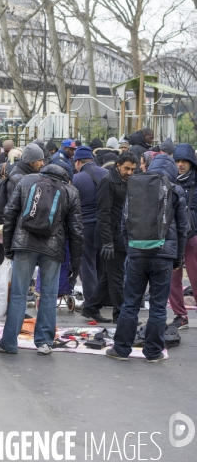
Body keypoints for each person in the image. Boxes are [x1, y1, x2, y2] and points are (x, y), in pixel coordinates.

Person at [0, 163, 83, 355]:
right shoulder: (71, 191)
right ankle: (44, 343)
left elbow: (9, 213)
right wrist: (75, 263)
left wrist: (8, 247)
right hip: (53, 248)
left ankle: (8, 343)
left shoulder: (26, 181)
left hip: (24, 246)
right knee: (49, 295)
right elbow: (76, 231)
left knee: (18, 294)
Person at [107, 156, 187, 363]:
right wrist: (177, 258)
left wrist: (131, 249)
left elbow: (124, 225)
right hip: (164, 257)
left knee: (130, 304)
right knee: (159, 307)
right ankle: (153, 352)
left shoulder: (135, 188)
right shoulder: (175, 191)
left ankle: (121, 349)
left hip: (137, 254)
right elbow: (182, 230)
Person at [85, 152, 138, 323]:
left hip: (120, 235)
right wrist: (107, 242)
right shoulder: (107, 182)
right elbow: (103, 214)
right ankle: (120, 315)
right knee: (116, 276)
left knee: (110, 275)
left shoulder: (127, 181)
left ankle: (91, 307)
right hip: (110, 237)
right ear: (118, 166)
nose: (129, 172)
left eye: (133, 169)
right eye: (126, 169)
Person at [72, 146, 108, 318]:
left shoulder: (77, 178)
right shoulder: (107, 174)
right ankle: (102, 299)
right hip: (106, 227)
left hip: (86, 226)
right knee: (102, 264)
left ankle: (91, 303)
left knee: (87, 265)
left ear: (78, 162)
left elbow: (72, 205)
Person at [167, 144, 197, 330]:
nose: (180, 164)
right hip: (172, 235)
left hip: (193, 235)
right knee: (172, 278)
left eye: (184, 161)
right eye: (177, 161)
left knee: (195, 276)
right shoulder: (168, 180)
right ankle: (180, 315)